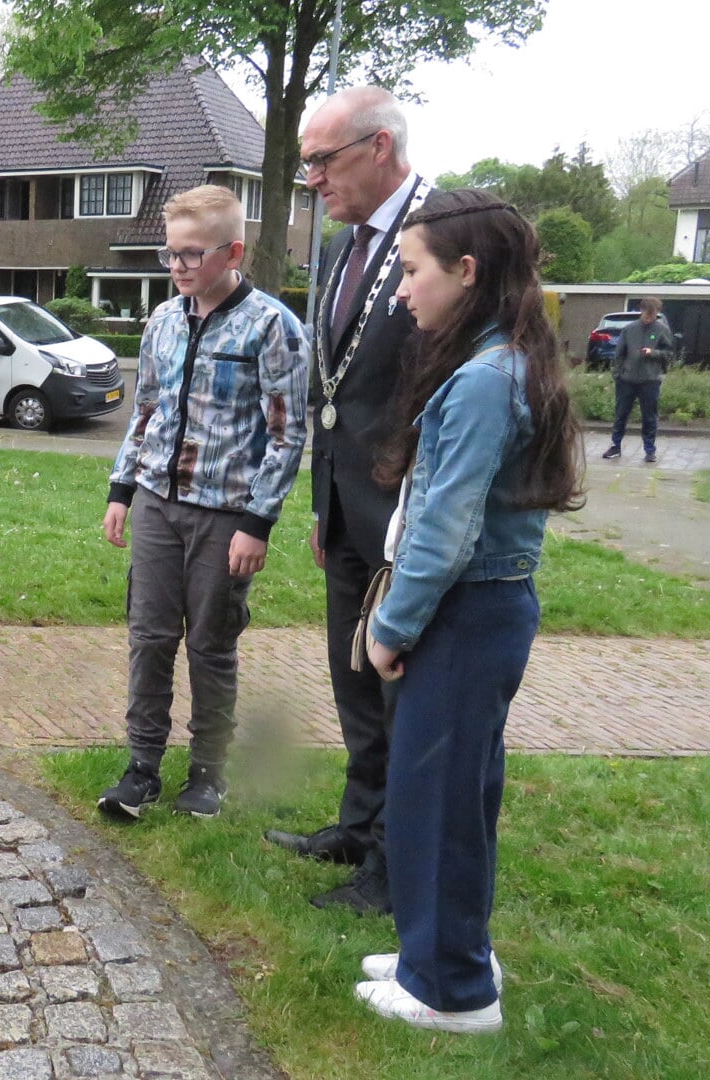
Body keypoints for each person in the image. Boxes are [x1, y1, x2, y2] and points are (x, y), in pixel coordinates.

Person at [354, 188, 584, 1032]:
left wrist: (388, 628)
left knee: (438, 801)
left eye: (411, 272)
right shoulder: (501, 359)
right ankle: (439, 949)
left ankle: (450, 992)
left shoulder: (485, 379)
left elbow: (445, 532)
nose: (400, 292)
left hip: (464, 611)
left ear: (465, 271)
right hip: (483, 609)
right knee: (456, 795)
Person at [95, 185, 311, 820]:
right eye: (171, 254)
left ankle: (208, 774)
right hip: (158, 504)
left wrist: (258, 521)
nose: (179, 266)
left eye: (192, 254)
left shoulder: (273, 327)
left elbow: (288, 433)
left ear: (232, 251)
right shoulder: (163, 320)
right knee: (150, 637)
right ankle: (141, 767)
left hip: (226, 517)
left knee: (211, 644)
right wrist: (122, 488)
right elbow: (147, 412)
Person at [264, 87, 429, 913]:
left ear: (379, 148)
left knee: (400, 689)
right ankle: (358, 828)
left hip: (404, 511)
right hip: (343, 504)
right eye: (304, 164)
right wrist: (324, 503)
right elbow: (332, 383)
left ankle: (395, 866)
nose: (312, 180)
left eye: (321, 161)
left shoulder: (439, 233)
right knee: (353, 680)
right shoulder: (335, 246)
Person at [603, 297, 673, 463]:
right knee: (621, 414)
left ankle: (650, 450)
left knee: (649, 416)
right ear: (641, 311)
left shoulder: (662, 330)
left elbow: (669, 354)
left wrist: (653, 353)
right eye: (647, 315)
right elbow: (619, 354)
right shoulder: (629, 329)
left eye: (653, 315)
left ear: (657, 313)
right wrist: (618, 374)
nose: (649, 318)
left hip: (650, 380)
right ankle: (615, 446)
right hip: (627, 380)